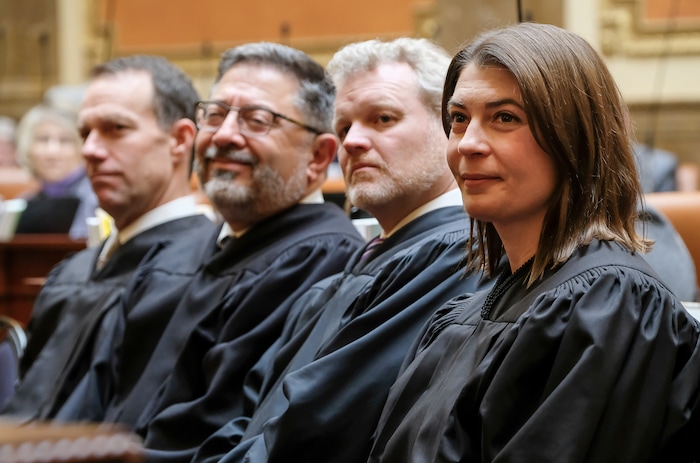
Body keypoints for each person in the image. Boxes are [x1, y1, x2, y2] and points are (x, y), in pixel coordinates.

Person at [367, 23, 700, 463]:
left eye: (505, 118)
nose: (468, 144)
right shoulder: (473, 306)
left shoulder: (608, 303)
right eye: (459, 119)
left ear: (575, 140)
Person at [176, 37, 495, 463]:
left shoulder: (458, 255)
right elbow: (253, 409)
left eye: (382, 118)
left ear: (449, 127)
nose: (353, 142)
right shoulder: (360, 264)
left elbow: (320, 426)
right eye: (343, 127)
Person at [49, 42, 364, 433]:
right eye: (214, 115)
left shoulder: (319, 258)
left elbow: (220, 428)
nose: (225, 135)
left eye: (257, 119)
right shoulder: (190, 251)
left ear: (318, 156)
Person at [2, 55, 217, 418]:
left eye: (116, 128)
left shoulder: (212, 273)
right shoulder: (73, 272)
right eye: (86, 133)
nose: (90, 150)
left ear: (180, 140)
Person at [14, 104, 98, 239]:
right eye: (43, 139)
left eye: (65, 141)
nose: (52, 152)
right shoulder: (23, 204)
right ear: (27, 148)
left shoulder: (98, 198)